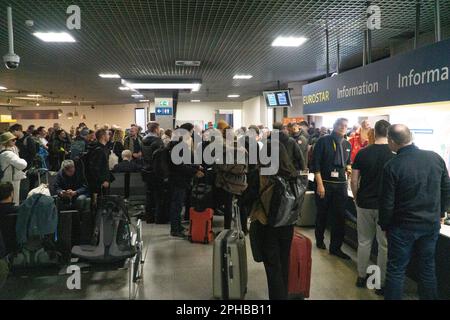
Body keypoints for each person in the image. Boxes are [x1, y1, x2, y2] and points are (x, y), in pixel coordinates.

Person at [379, 124, 450, 300]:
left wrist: (385, 225)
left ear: (392, 141)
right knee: (427, 269)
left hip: (402, 227)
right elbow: (446, 188)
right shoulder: (435, 158)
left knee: (396, 270)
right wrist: (441, 212)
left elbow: (386, 202)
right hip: (430, 225)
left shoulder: (392, 166)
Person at [250, 135, 298, 300]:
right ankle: (283, 294)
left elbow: (247, 199)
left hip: (266, 224)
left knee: (272, 267)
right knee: (284, 262)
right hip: (287, 224)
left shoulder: (260, 174)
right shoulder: (292, 175)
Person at [350, 120, 394, 295]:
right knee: (384, 245)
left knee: (364, 241)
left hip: (365, 204)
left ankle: (362, 276)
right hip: (385, 207)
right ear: (389, 134)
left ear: (374, 133)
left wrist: (356, 198)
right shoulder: (394, 155)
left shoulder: (363, 153)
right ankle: (380, 283)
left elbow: (354, 180)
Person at [311, 118, 352, 260]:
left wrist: (348, 169)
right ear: (334, 126)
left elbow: (347, 162)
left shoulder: (347, 144)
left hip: (341, 185)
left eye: (345, 126)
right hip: (325, 183)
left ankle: (336, 247)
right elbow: (315, 164)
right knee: (322, 213)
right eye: (340, 125)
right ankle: (320, 240)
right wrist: (320, 184)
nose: (343, 128)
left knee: (340, 217)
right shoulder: (323, 141)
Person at [168, 123, 204, 237]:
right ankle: (175, 229)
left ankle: (178, 226)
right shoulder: (178, 145)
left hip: (180, 179)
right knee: (176, 205)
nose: (192, 134)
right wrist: (195, 171)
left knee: (178, 205)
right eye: (191, 132)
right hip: (178, 180)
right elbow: (179, 166)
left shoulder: (177, 143)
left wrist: (196, 167)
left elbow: (185, 162)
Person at [214, 121, 248, 230]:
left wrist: (228, 169)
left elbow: (220, 165)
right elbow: (244, 167)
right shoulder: (242, 149)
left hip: (227, 182)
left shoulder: (221, 149)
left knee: (228, 206)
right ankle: (244, 228)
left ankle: (227, 229)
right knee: (241, 206)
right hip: (241, 182)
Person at [0, 132, 27, 205]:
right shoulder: (8, 154)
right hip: (12, 179)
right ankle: (13, 215)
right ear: (7, 141)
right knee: (13, 199)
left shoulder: (3, 151)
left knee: (5, 198)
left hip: (6, 178)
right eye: (13, 140)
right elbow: (22, 165)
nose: (15, 141)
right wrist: (23, 160)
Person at [85, 129, 111, 195]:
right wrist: (102, 181)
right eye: (108, 134)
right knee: (100, 202)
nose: (109, 136)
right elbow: (94, 168)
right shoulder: (99, 150)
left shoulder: (102, 148)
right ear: (103, 136)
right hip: (99, 183)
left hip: (100, 181)